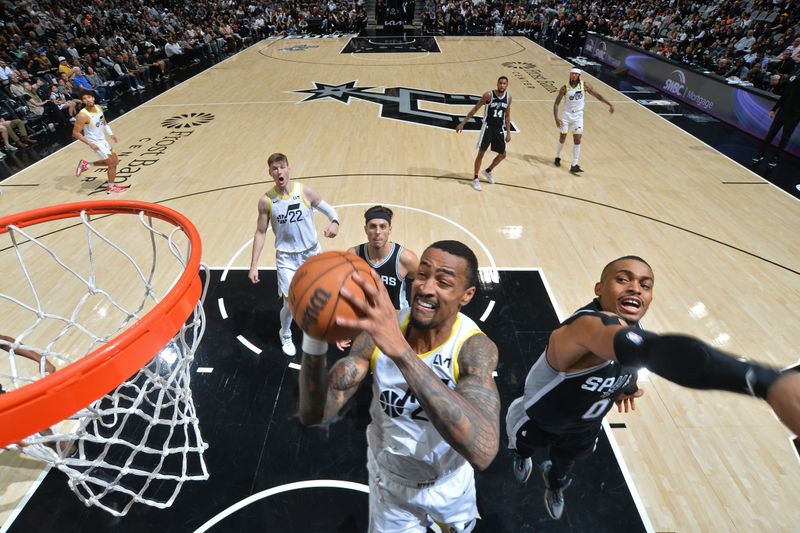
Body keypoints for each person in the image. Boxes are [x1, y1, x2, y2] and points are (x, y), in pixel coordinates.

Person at [505, 256, 800, 521]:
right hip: (539, 417)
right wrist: (764, 381)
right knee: (524, 445)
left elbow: (631, 359)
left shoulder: (635, 330)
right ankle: (522, 455)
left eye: (645, 285)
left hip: (585, 426)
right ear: (599, 288)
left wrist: (626, 387)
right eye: (623, 279)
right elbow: (653, 351)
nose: (636, 288)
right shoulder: (584, 328)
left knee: (564, 466)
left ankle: (554, 483)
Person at [298, 240, 500, 532]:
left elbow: (483, 451)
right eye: (422, 275)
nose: (426, 288)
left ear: (466, 296)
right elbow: (314, 413)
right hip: (392, 486)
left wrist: (401, 353)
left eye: (443, 282)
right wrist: (313, 339)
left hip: (449, 483)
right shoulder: (376, 334)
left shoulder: (473, 349)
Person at [248, 152, 340, 356]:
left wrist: (334, 223)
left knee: (320, 294)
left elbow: (331, 211)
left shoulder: (305, 192)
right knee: (290, 303)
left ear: (289, 169)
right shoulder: (266, 201)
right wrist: (254, 265)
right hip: (287, 259)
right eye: (275, 168)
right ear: (270, 172)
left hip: (311, 254)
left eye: (282, 167)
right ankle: (285, 332)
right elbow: (260, 232)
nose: (279, 171)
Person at [347, 205, 419, 311]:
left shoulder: (407, 259)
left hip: (397, 317)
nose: (377, 232)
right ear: (365, 229)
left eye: (383, 226)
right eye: (372, 226)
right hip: (365, 315)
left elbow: (418, 288)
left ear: (389, 230)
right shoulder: (353, 255)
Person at [455, 76, 512, 192]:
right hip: (488, 127)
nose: (502, 85)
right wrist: (463, 123)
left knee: (503, 154)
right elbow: (475, 109)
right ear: (497, 84)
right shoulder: (488, 95)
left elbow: (507, 116)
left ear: (507, 85)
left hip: (499, 128)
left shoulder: (509, 98)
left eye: (504, 84)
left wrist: (508, 132)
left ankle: (488, 171)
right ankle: (475, 178)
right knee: (481, 153)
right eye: (500, 83)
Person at [553, 68, 614, 174]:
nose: (573, 76)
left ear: (579, 76)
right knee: (562, 137)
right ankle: (558, 156)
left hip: (578, 116)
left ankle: (574, 165)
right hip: (567, 115)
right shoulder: (564, 88)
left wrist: (609, 104)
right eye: (572, 74)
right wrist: (556, 118)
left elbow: (598, 96)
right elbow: (556, 103)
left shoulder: (584, 86)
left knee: (577, 139)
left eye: (575, 74)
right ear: (570, 74)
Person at [72, 90, 123, 193]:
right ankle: (111, 187)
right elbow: (76, 133)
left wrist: (111, 134)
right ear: (83, 102)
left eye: (89, 97)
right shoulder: (82, 115)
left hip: (102, 139)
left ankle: (86, 165)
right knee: (112, 164)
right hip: (94, 141)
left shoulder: (99, 107)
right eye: (84, 99)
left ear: (93, 98)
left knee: (115, 161)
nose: (88, 100)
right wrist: (91, 144)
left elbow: (103, 122)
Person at [751, 74, 800, 170]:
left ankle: (776, 158)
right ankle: (760, 155)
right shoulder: (794, 80)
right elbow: (784, 96)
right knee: (771, 134)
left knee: (785, 138)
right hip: (782, 112)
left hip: (795, 116)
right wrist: (774, 109)